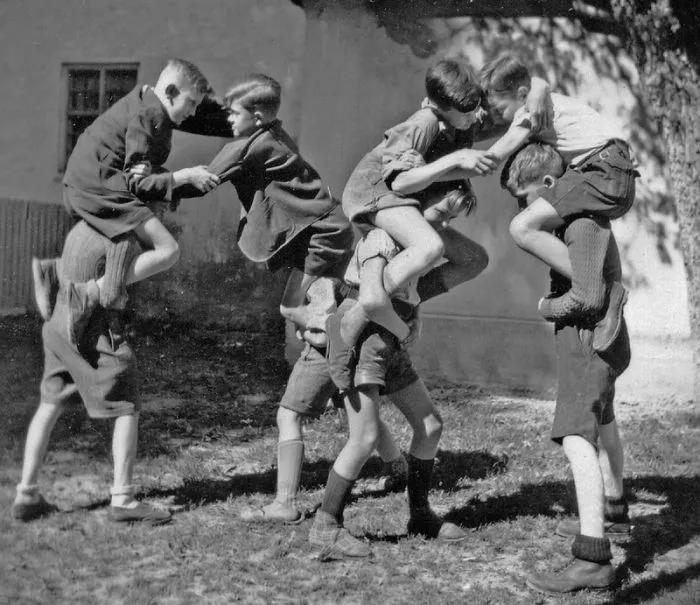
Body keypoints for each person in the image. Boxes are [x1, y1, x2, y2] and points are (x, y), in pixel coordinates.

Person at [327, 57, 551, 390]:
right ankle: (351, 319)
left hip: (405, 201)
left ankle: (407, 301)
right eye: (468, 112)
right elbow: (400, 183)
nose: (477, 116)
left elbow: (512, 113)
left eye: (477, 107)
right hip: (375, 193)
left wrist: (540, 91)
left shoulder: (463, 120)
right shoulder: (424, 122)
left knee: (475, 259)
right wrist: (455, 159)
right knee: (429, 246)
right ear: (438, 105)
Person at [309, 191, 489, 559]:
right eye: (440, 212)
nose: (442, 226)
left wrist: (413, 315)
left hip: (388, 343)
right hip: (362, 341)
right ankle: (326, 525)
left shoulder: (417, 243)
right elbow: (373, 300)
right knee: (365, 437)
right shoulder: (381, 237)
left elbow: (431, 281)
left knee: (430, 426)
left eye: (451, 220)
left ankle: (420, 516)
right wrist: (404, 329)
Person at [501, 142, 632, 595]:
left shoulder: (580, 223)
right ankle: (614, 509)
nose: (523, 208)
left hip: (587, 341)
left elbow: (587, 297)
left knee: (577, 436)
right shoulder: (582, 220)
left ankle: (592, 558)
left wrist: (544, 306)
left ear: (551, 186)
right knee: (604, 420)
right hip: (604, 341)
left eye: (525, 197)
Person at [32, 58, 222, 341]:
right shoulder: (151, 114)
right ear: (170, 93)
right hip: (97, 186)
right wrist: (182, 177)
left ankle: (55, 271)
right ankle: (86, 296)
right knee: (168, 250)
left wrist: (166, 180)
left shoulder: (150, 103)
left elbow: (138, 168)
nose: (193, 112)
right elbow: (137, 181)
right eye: (191, 102)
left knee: (141, 238)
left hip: (87, 181)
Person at [12, 221, 172, 525]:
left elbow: (64, 270)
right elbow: (111, 295)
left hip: (59, 322)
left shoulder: (82, 226)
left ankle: (26, 493)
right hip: (90, 328)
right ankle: (123, 499)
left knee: (49, 404)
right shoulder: (121, 236)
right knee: (127, 405)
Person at [175, 73, 354, 341]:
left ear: (257, 118)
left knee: (291, 307)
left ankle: (343, 341)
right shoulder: (274, 133)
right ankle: (333, 350)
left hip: (322, 237)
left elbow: (201, 184)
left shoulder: (246, 147)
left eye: (234, 114)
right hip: (329, 228)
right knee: (310, 321)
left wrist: (169, 181)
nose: (228, 119)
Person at [481, 53, 639, 352]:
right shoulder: (544, 99)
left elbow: (498, 152)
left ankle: (601, 294)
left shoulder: (530, 110)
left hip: (601, 168)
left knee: (522, 227)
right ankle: (601, 293)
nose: (496, 117)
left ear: (522, 95)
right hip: (615, 172)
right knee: (541, 223)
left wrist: (462, 164)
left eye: (498, 108)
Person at [239, 276, 409, 524]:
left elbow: (312, 318)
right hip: (354, 345)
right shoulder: (343, 257)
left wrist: (302, 323)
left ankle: (284, 503)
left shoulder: (313, 264)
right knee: (361, 416)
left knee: (289, 415)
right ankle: (397, 466)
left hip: (325, 350)